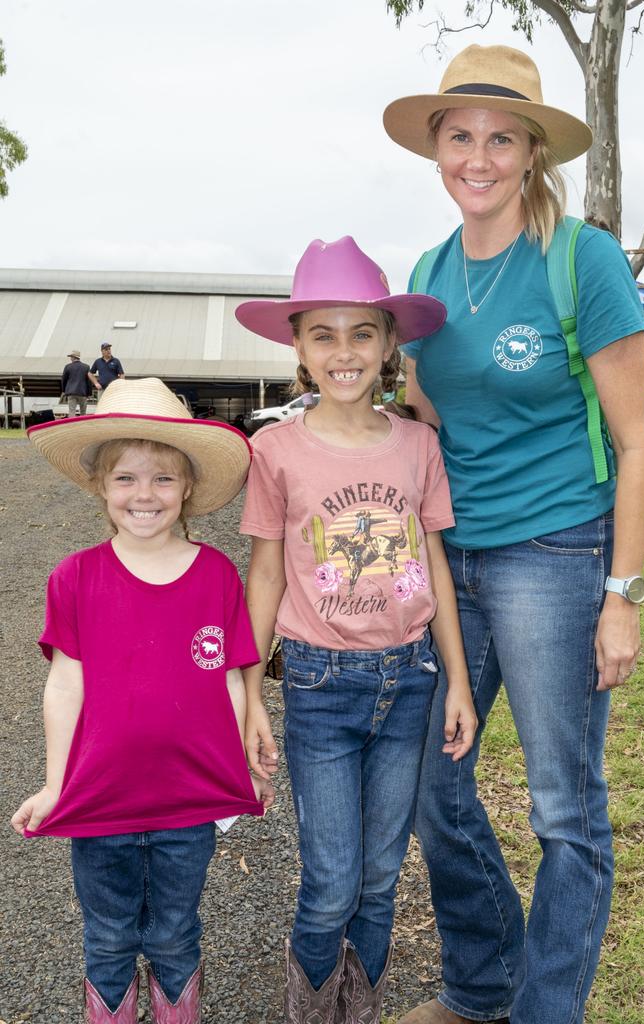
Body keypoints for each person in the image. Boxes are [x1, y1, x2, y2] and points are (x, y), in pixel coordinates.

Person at [382, 45, 644, 1024]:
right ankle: (482, 983)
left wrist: (620, 597)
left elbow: (636, 441)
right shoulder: (426, 273)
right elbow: (420, 423)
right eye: (461, 135)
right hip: (452, 561)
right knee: (424, 784)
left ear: (534, 151)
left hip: (558, 554)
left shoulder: (582, 258)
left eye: (503, 137)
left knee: (563, 810)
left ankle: (545, 1010)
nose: (480, 156)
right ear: (438, 149)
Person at [235, 236, 478, 1024]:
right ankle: (312, 1009)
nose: (345, 352)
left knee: (380, 880)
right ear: (300, 348)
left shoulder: (418, 444)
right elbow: (266, 574)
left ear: (388, 345)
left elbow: (434, 565)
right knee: (331, 880)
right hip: (317, 685)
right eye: (324, 334)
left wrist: (458, 686)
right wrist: (246, 692)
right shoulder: (275, 449)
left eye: (362, 333)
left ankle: (358, 1010)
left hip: (409, 683)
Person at [11, 377, 275, 1024]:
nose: (144, 495)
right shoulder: (73, 578)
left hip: (189, 802)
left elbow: (230, 679)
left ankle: (176, 1006)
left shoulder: (216, 574)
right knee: (107, 936)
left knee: (175, 931)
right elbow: (65, 684)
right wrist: (53, 784)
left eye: (162, 479)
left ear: (187, 488)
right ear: (101, 486)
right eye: (126, 478)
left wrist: (241, 766)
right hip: (100, 799)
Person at [61, 349, 91, 416]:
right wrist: (89, 393)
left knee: (72, 411)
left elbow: (63, 380)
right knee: (83, 412)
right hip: (82, 393)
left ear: (73, 357)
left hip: (71, 392)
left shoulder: (68, 366)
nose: (70, 358)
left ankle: (71, 426)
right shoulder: (86, 367)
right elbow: (89, 381)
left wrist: (64, 390)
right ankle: (82, 425)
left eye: (71, 357)